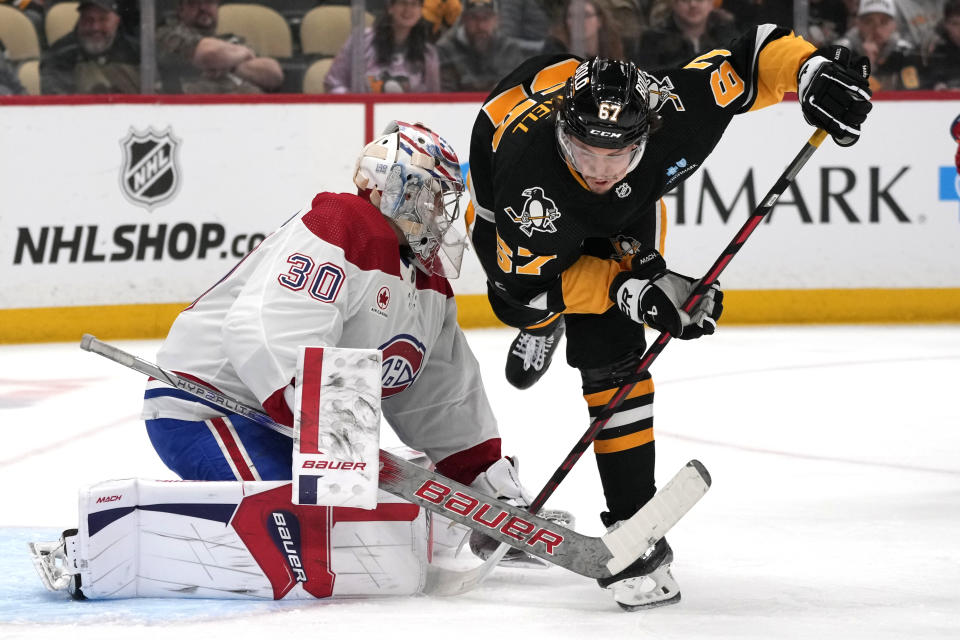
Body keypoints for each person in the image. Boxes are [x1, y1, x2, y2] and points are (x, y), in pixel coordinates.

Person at [467, 26, 872, 609]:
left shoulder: (671, 113)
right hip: (519, 234)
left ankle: (633, 519)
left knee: (613, 356)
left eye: (617, 153)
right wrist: (633, 291)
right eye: (586, 151)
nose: (601, 169)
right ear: (563, 135)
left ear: (647, 134)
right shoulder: (529, 188)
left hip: (609, 208)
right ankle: (544, 330)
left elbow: (752, 52)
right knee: (526, 307)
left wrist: (809, 71)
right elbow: (520, 284)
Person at [156, 0, 283, 94]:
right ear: (181, 10)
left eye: (209, 1)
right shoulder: (168, 34)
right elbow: (209, 54)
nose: (203, 8)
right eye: (193, 3)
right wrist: (240, 58)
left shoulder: (233, 42)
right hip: (196, 116)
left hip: (253, 114)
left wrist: (230, 65)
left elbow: (274, 74)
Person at [325, 0, 440, 93]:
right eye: (403, 3)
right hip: (364, 117)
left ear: (420, 11)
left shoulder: (427, 53)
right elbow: (334, 83)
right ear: (390, 7)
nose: (408, 10)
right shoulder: (361, 41)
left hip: (407, 120)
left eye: (414, 4)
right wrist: (354, 106)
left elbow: (433, 100)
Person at [39, 0, 140, 94]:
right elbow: (56, 100)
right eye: (88, 19)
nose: (95, 27)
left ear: (117, 20)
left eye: (103, 19)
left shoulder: (138, 54)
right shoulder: (60, 55)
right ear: (80, 20)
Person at [436, 0, 527, 92]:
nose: (480, 25)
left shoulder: (508, 49)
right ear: (463, 20)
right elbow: (446, 95)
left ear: (496, 20)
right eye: (474, 18)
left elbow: (519, 88)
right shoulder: (446, 49)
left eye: (486, 18)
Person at [834, 0, 922, 91]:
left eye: (884, 22)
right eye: (869, 22)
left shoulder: (905, 52)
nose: (877, 28)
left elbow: (912, 91)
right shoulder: (842, 52)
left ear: (894, 25)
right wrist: (867, 63)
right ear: (858, 24)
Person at [632, 0, 739, 68]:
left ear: (712, 3)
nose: (693, 4)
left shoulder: (727, 32)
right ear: (673, 3)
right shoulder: (652, 39)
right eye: (684, 0)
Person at [540, 0, 625, 60]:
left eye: (586, 15)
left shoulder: (613, 44)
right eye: (571, 16)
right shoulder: (555, 47)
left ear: (599, 20)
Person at [923, 0, 960, 90]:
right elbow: (933, 79)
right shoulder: (937, 49)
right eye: (955, 24)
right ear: (946, 24)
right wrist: (939, 86)